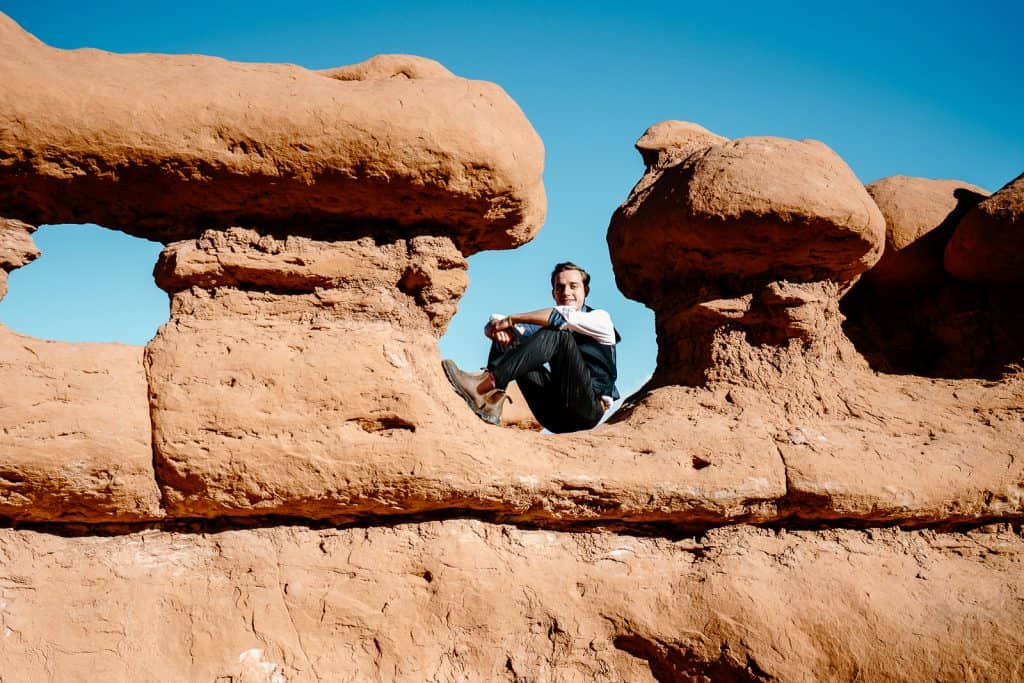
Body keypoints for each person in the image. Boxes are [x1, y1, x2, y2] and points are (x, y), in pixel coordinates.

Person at [442, 262, 620, 433]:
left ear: (586, 291)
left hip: (587, 411)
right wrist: (496, 328)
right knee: (511, 336)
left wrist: (512, 319)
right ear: (553, 294)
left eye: (573, 286)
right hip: (553, 415)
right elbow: (497, 320)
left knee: (558, 333)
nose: (566, 292)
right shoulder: (549, 321)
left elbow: (562, 317)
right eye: (560, 287)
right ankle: (490, 404)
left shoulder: (600, 319)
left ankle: (483, 386)